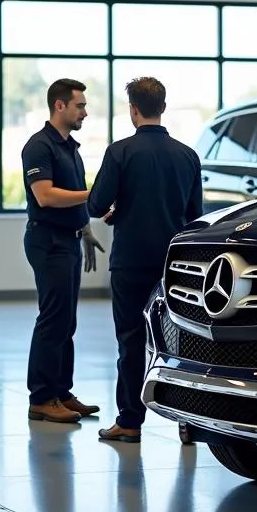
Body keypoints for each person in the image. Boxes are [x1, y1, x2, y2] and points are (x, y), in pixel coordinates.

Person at [88, 77, 203, 443]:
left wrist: (120, 209)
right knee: (184, 342)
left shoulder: (120, 152)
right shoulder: (188, 155)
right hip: (174, 265)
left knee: (131, 341)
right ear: (163, 108)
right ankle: (190, 422)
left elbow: (95, 205)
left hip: (130, 262)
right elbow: (194, 214)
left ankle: (129, 421)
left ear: (133, 110)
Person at [21, 78, 106, 424]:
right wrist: (93, 194)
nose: (84, 111)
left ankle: (61, 392)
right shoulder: (39, 146)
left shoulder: (71, 147)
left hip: (68, 239)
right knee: (53, 319)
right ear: (60, 106)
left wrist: (85, 228)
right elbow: (46, 196)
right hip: (48, 241)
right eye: (80, 105)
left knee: (66, 321)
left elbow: (70, 193)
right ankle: (41, 398)